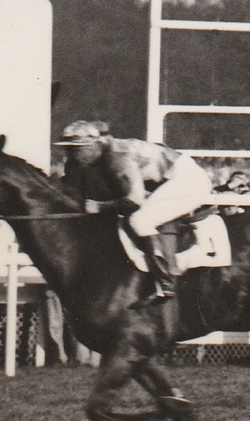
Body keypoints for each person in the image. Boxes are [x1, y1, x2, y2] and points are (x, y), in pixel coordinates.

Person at [53, 120, 219, 306]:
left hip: (188, 181)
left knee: (139, 221)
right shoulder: (108, 152)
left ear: (92, 145)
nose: (70, 156)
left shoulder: (116, 159)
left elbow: (134, 200)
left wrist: (98, 207)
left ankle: (165, 283)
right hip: (174, 176)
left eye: (74, 150)